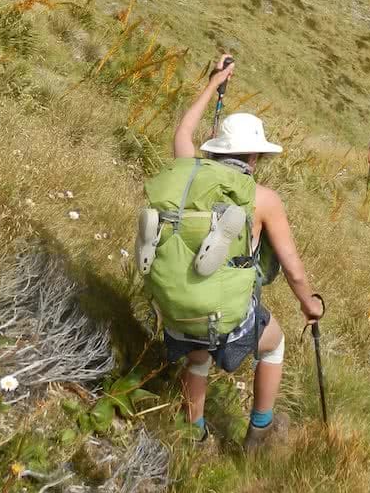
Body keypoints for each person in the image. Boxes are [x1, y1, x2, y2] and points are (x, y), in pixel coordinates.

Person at [138, 57, 323, 452]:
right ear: (254, 157)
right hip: (227, 316)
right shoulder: (263, 199)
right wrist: (310, 305)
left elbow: (183, 129)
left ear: (217, 148)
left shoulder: (187, 170)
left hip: (174, 306)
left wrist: (214, 83)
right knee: (274, 344)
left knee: (197, 355)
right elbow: (293, 270)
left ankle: (195, 435)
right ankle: (260, 431)